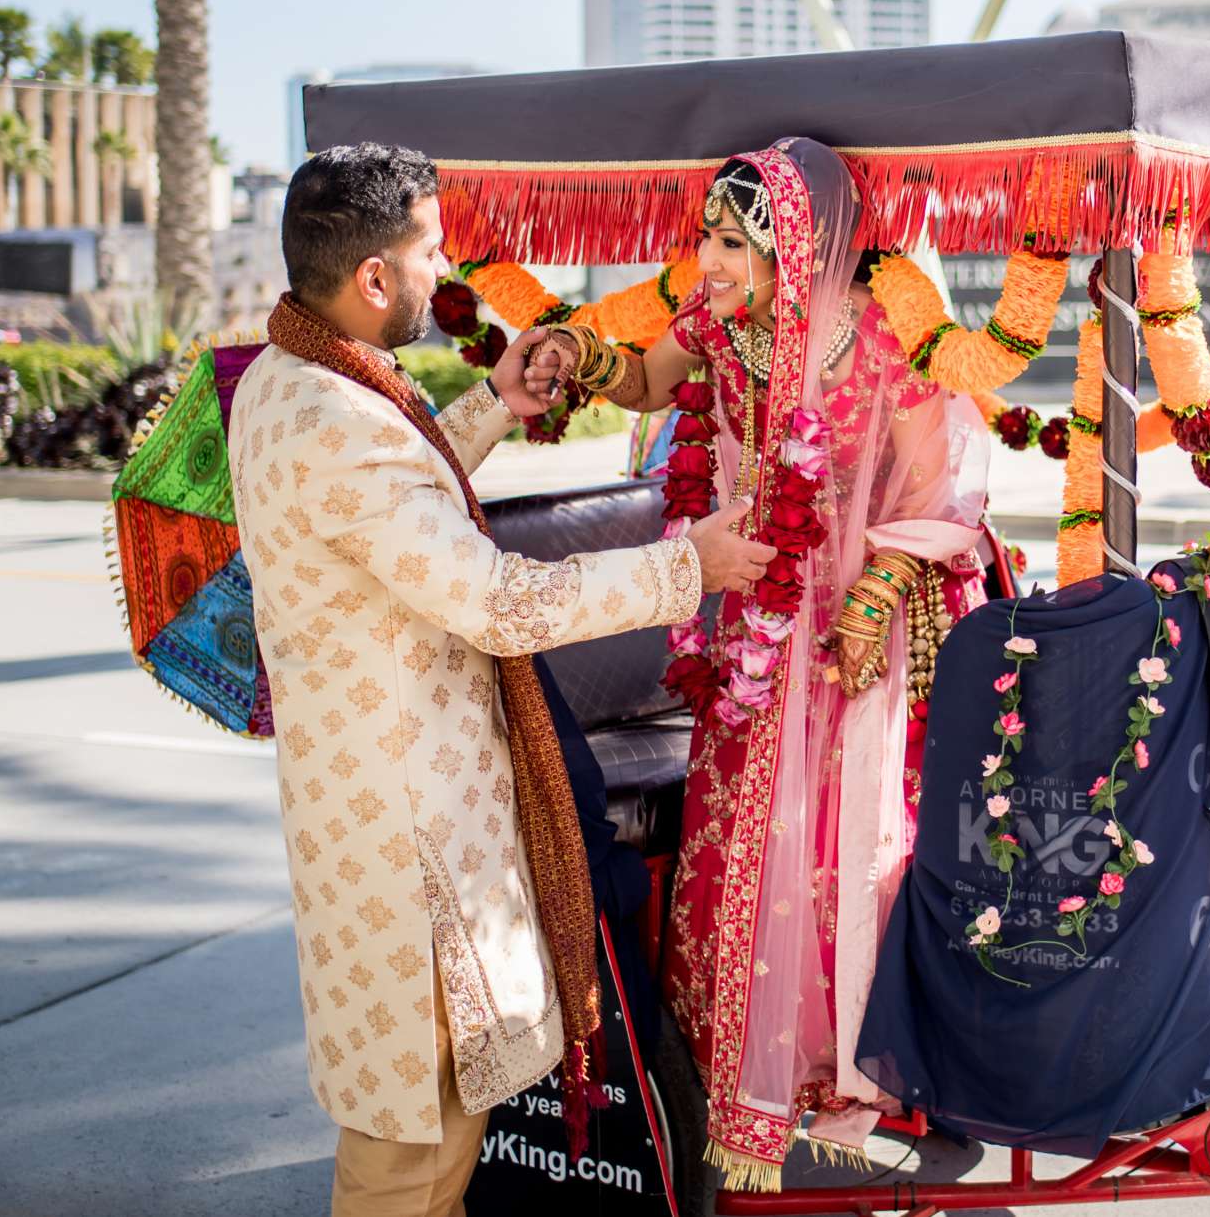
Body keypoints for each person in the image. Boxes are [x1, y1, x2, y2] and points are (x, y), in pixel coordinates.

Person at [228, 142, 772, 1217]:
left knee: (436, 1133)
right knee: (409, 1151)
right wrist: (685, 567)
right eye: (429, 252)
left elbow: (407, 502)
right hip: (405, 841)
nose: (443, 275)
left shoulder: (290, 378)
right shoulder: (340, 423)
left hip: (382, 814)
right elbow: (493, 599)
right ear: (374, 278)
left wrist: (492, 403)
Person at [530, 137, 992, 1189]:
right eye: (707, 236)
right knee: (739, 835)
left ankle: (842, 1079)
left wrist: (873, 598)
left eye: (734, 240)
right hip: (750, 630)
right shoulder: (719, 329)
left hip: (848, 647)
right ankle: (731, 1074)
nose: (713, 260)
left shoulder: (878, 339)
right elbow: (651, 376)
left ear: (799, 246)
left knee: (842, 845)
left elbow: (939, 491)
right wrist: (576, 355)